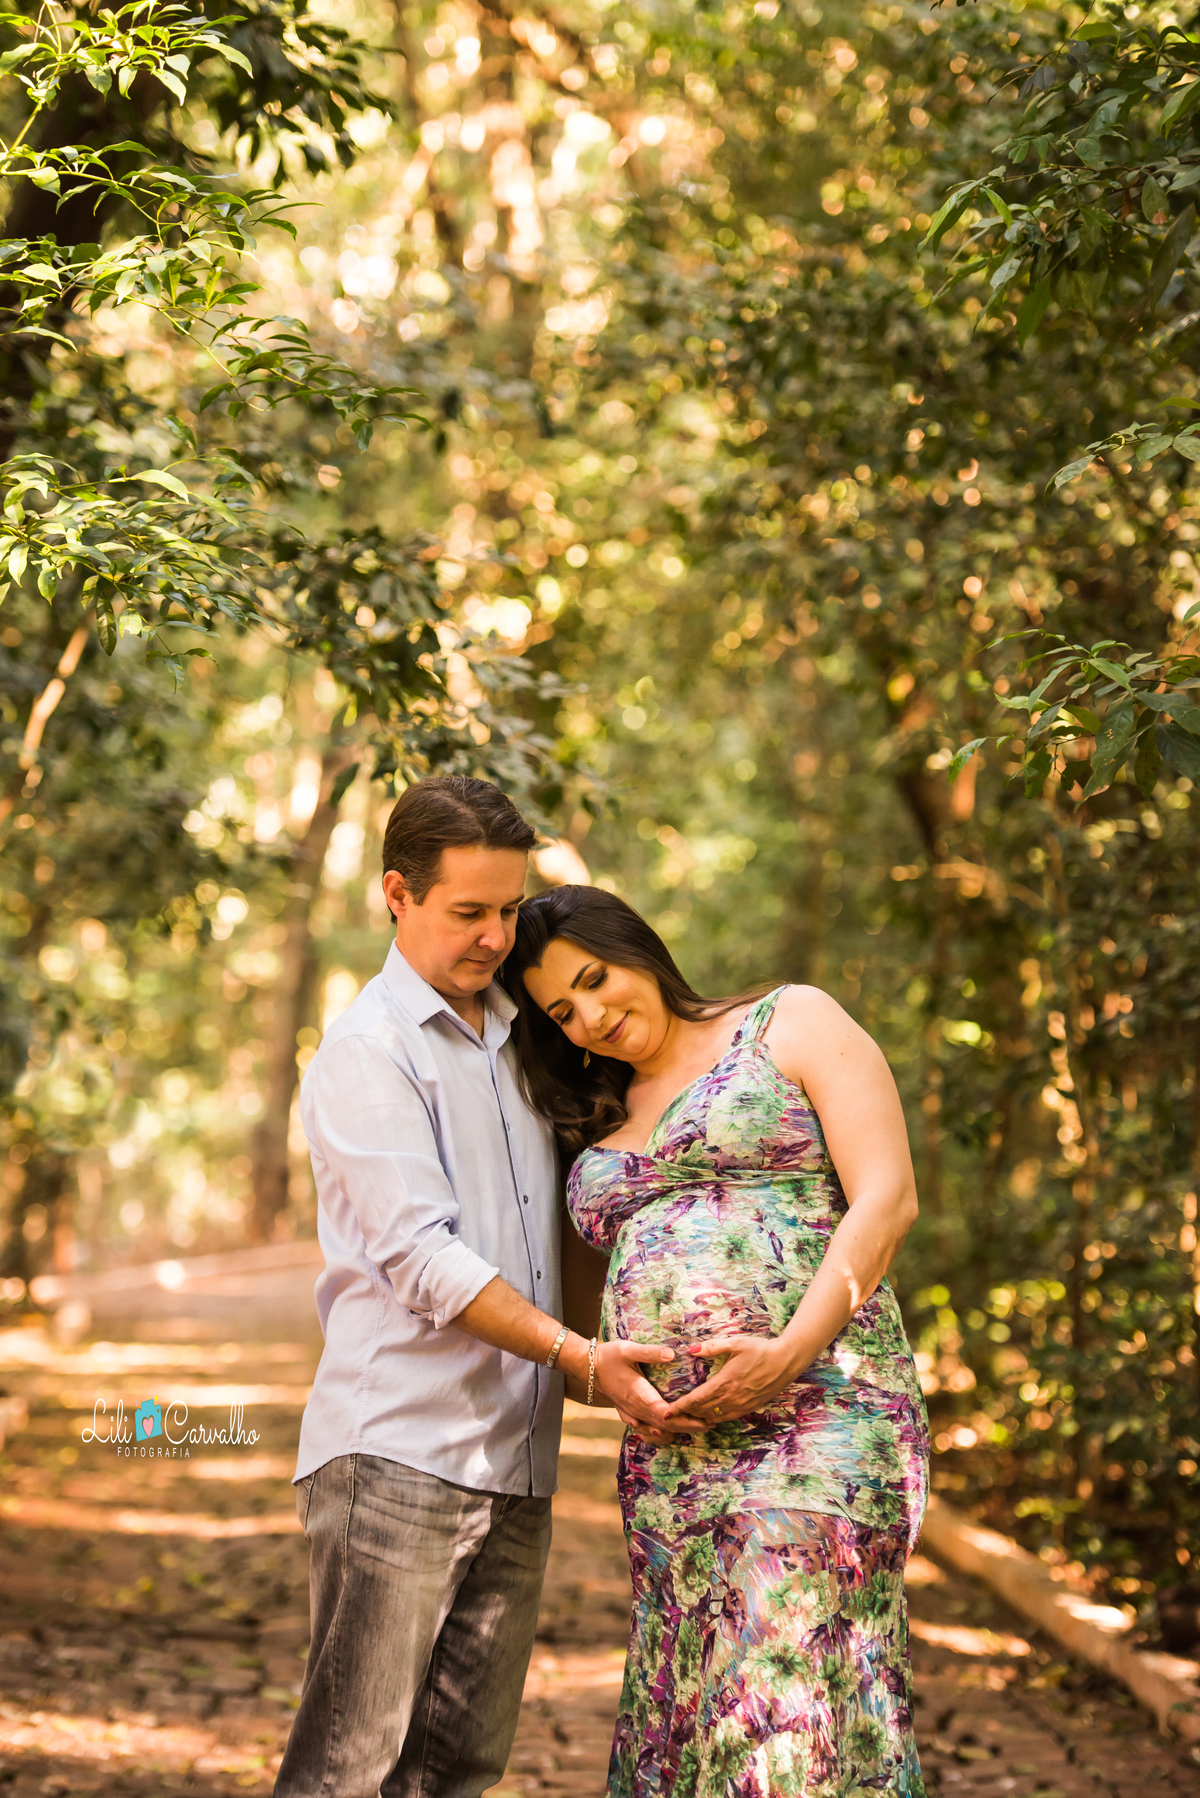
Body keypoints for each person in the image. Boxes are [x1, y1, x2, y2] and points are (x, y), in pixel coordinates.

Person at [274, 779, 676, 1798]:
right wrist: (580, 1358)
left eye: (509, 908)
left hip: (517, 1461)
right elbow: (425, 1261)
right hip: (398, 1451)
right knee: (346, 1769)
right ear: (397, 895)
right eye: (469, 912)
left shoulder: (532, 1029)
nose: (499, 936)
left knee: (457, 1772)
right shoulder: (369, 1053)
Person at [502, 884, 931, 1798]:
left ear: (636, 946)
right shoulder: (590, 1117)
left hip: (826, 1411)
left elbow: (887, 1198)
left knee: (783, 1684)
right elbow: (584, 1317)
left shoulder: (791, 1022)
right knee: (693, 1700)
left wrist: (787, 1352)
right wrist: (604, 1379)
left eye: (595, 978)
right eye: (561, 1011)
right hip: (674, 1461)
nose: (592, 1016)